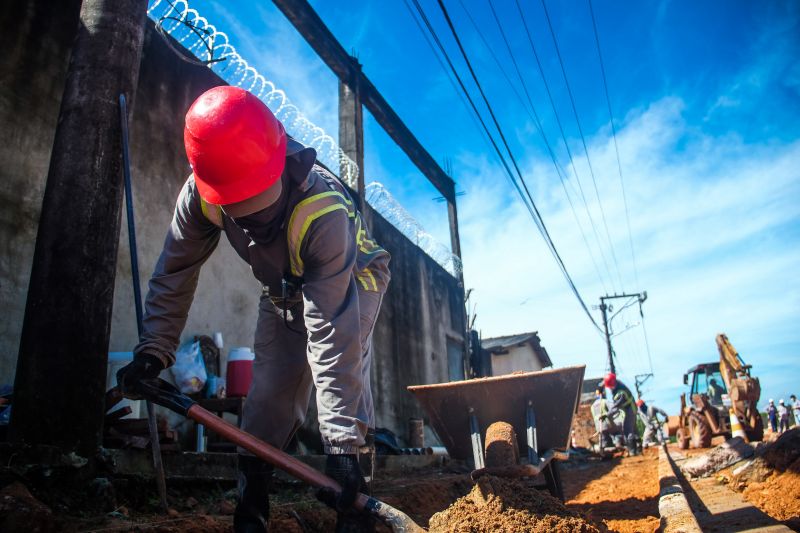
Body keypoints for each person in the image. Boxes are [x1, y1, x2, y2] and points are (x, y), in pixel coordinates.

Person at [116, 86, 391, 533]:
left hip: (353, 279)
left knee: (345, 373)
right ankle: (251, 511)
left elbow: (331, 334)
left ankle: (354, 505)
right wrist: (154, 350)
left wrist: (339, 447)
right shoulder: (204, 195)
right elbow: (175, 270)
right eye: (239, 215)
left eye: (260, 212)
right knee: (267, 401)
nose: (253, 226)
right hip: (282, 287)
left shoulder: (322, 211)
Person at [603, 372, 639, 455]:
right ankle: (638, 449)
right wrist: (599, 389)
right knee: (633, 430)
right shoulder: (616, 383)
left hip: (630, 409)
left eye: (609, 387)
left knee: (627, 429)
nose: (609, 389)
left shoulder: (620, 393)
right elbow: (605, 382)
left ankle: (632, 451)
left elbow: (615, 407)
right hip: (629, 408)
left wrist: (607, 414)